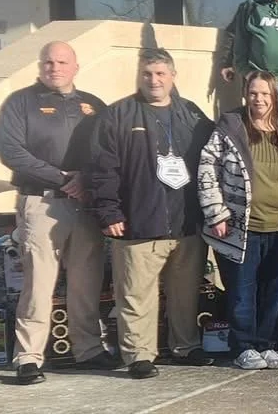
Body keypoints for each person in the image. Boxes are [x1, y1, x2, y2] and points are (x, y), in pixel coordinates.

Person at [87, 48, 217, 380]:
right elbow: (103, 168)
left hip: (185, 222)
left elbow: (213, 157)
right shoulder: (118, 115)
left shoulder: (191, 113)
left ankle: (185, 346)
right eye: (147, 74)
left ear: (173, 76)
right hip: (137, 222)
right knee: (135, 295)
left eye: (161, 73)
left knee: (185, 292)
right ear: (139, 76)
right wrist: (109, 212)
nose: (154, 80)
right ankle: (139, 355)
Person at [0, 41, 112, 384]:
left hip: (85, 204)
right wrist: (61, 178)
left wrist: (85, 179)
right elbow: (11, 152)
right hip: (42, 202)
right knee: (38, 284)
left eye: (62, 62)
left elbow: (110, 151)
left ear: (76, 66)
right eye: (48, 62)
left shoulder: (94, 105)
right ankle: (29, 357)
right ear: (40, 65)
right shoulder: (21, 103)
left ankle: (89, 349)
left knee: (86, 282)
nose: (55, 68)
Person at [196, 72, 278, 370]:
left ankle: (267, 344)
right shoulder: (231, 126)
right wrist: (216, 212)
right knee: (243, 290)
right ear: (245, 94)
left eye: (265, 94)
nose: (259, 99)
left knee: (276, 289)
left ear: (275, 97)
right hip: (242, 226)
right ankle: (243, 345)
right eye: (254, 93)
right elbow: (207, 169)